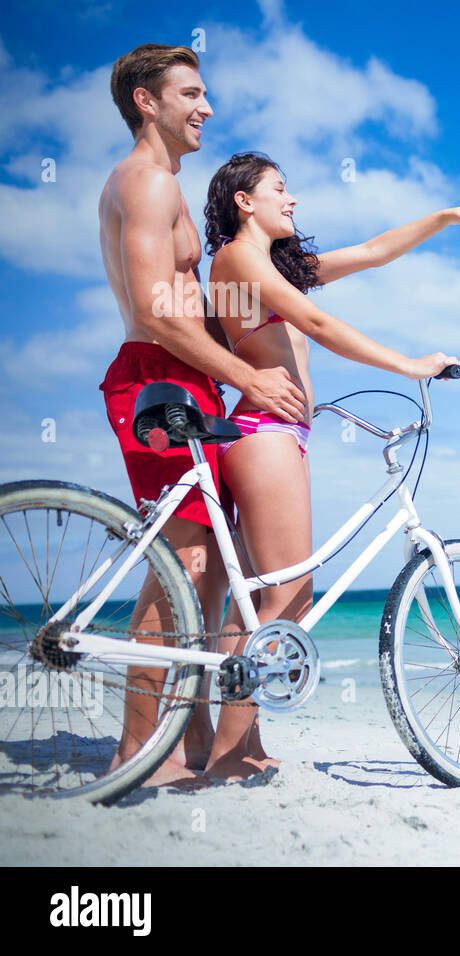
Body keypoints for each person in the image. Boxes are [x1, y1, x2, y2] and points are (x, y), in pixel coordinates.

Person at [201, 150, 460, 779]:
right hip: (263, 434)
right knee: (291, 589)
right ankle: (229, 756)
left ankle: (240, 744)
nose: (292, 200)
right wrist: (408, 363)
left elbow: (372, 252)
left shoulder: (273, 265)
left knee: (257, 601)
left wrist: (443, 218)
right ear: (244, 201)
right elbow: (315, 320)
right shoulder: (237, 258)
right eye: (279, 189)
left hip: (278, 435)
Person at [97, 45, 307, 788]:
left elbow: (195, 304)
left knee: (209, 567)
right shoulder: (147, 183)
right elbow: (159, 310)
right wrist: (247, 373)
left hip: (192, 380)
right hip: (160, 379)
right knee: (182, 565)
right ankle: (132, 756)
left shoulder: (165, 186)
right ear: (146, 103)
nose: (206, 107)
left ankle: (194, 747)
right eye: (190, 93)